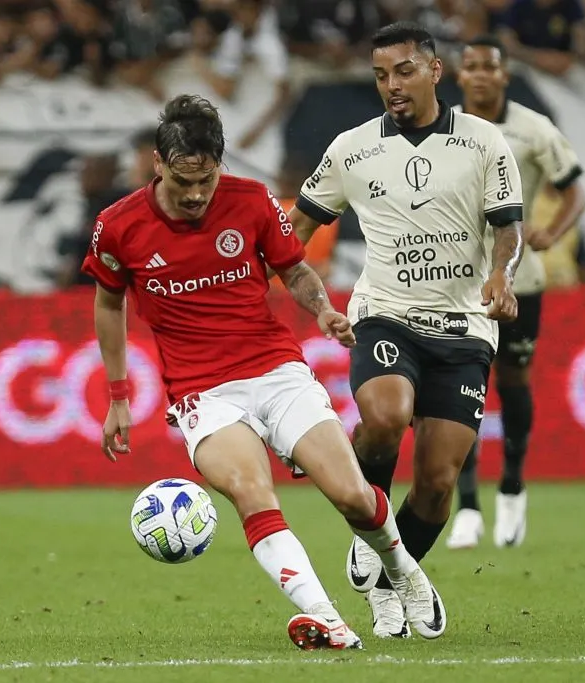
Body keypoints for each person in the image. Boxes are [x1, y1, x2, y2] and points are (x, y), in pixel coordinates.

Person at [81, 94, 445, 651]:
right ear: (158, 163)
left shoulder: (252, 201)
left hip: (276, 371)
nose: (198, 195)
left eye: (207, 181)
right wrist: (118, 394)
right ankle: (328, 619)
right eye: (184, 184)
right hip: (202, 391)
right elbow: (110, 305)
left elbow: (294, 270)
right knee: (254, 492)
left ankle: (402, 571)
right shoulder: (118, 225)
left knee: (351, 494)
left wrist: (321, 308)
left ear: (220, 164)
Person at [288, 22, 524, 638]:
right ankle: (371, 527)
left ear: (434, 70)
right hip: (386, 312)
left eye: (403, 71)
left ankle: (393, 578)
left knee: (439, 482)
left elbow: (507, 227)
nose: (391, 85)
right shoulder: (351, 149)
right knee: (387, 416)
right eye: (380, 75)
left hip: (465, 325)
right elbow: (292, 236)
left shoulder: (483, 142)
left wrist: (502, 276)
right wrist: (316, 304)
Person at [445, 35, 585, 550]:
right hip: (456, 281)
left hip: (519, 278)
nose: (481, 75)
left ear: (504, 75)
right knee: (460, 389)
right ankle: (467, 507)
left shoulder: (533, 129)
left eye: (490, 67)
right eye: (472, 67)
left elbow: (574, 189)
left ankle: (512, 486)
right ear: (458, 76)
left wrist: (554, 232)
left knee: (513, 378)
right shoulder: (444, 128)